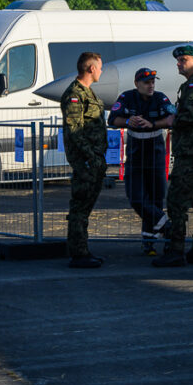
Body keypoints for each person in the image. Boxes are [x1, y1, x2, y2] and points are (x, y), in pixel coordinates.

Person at [153, 45, 193, 267]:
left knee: (177, 201)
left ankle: (176, 251)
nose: (179, 63)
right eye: (178, 60)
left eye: (184, 59)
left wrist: (173, 121)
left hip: (190, 153)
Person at [108, 68, 175, 255]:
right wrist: (128, 121)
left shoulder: (160, 98)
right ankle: (167, 226)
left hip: (155, 151)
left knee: (155, 198)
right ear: (137, 84)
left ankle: (149, 242)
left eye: (153, 82)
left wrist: (153, 124)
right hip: (136, 152)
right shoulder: (127, 97)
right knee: (136, 198)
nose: (151, 85)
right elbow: (113, 119)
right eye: (146, 82)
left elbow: (172, 118)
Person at [61, 52, 109, 268]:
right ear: (91, 69)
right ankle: (78, 253)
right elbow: (75, 130)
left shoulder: (88, 92)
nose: (101, 71)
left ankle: (82, 250)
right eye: (99, 67)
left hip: (95, 159)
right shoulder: (75, 94)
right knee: (80, 207)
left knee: (85, 207)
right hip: (86, 161)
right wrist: (90, 157)